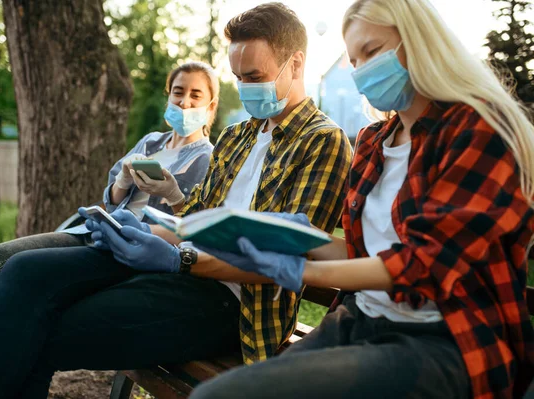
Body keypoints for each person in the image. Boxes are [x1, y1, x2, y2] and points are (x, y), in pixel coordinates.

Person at [0, 3, 352, 399]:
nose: (245, 88)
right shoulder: (238, 136)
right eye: (238, 77)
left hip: (232, 304)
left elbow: (285, 262)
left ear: (295, 64)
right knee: (23, 270)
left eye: (254, 75)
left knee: (38, 327)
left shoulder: (322, 141)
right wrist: (142, 230)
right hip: (180, 268)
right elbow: (195, 218)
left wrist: (181, 259)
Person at [188, 1, 534, 398]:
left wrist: (304, 271)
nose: (361, 70)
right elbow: (362, 251)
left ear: (420, 42)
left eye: (372, 52)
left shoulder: (477, 129)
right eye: (354, 59)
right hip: (360, 321)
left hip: (444, 340)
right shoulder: (373, 141)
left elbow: (426, 265)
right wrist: (299, 238)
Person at [0, 60, 218, 393]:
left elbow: (193, 222)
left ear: (210, 105)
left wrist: (171, 194)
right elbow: (112, 198)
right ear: (168, 96)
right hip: (96, 231)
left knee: (21, 279)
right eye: (178, 93)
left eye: (195, 95)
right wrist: (123, 181)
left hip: (136, 249)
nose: (184, 103)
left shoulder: (206, 158)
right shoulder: (152, 142)